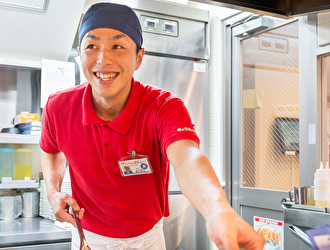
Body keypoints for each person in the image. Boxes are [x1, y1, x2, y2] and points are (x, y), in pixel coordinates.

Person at [40, 2, 265, 250]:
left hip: (145, 241)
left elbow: (187, 157)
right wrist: (53, 192)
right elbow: (51, 150)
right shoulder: (58, 107)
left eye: (117, 46)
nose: (103, 59)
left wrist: (217, 209)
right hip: (86, 239)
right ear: (80, 54)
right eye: (92, 46)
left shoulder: (163, 107)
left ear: (138, 58)